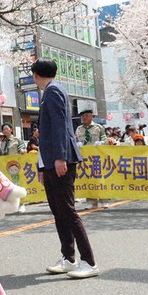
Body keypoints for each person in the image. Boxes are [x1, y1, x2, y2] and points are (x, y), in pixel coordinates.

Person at [32, 58, 98, 279]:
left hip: (60, 160)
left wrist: (60, 157)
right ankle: (69, 258)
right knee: (59, 211)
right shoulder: (51, 91)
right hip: (50, 161)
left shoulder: (53, 91)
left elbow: (61, 127)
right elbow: (50, 131)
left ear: (35, 75)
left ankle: (89, 261)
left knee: (68, 211)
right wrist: (42, 165)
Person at [74, 109, 108, 208]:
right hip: (85, 158)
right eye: (82, 116)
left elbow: (105, 139)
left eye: (86, 116)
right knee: (88, 178)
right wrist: (77, 144)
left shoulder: (98, 127)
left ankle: (103, 200)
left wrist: (101, 143)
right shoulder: (79, 129)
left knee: (99, 178)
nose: (84, 118)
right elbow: (75, 139)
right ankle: (91, 201)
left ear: (91, 116)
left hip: (97, 157)